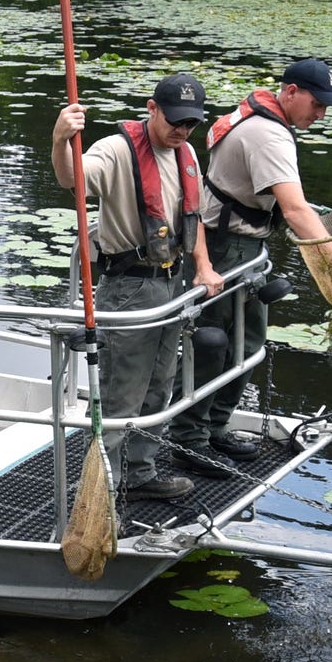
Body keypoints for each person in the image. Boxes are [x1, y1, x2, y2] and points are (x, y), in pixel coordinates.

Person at [53, 76, 226, 503]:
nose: (182, 131)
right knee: (121, 392)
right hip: (130, 287)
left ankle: (139, 472)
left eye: (190, 124)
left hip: (173, 284)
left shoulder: (186, 154)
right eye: (174, 121)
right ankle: (99, 487)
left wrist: (203, 266)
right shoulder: (115, 151)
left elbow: (194, 217)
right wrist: (61, 138)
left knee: (159, 385)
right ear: (152, 108)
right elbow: (71, 179)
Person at [168, 58, 332, 472]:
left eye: (326, 106)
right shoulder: (268, 135)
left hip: (247, 247)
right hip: (223, 248)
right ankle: (189, 440)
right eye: (317, 103)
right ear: (290, 92)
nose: (321, 113)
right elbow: (296, 211)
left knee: (247, 345)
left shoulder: (262, 117)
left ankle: (215, 427)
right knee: (211, 346)